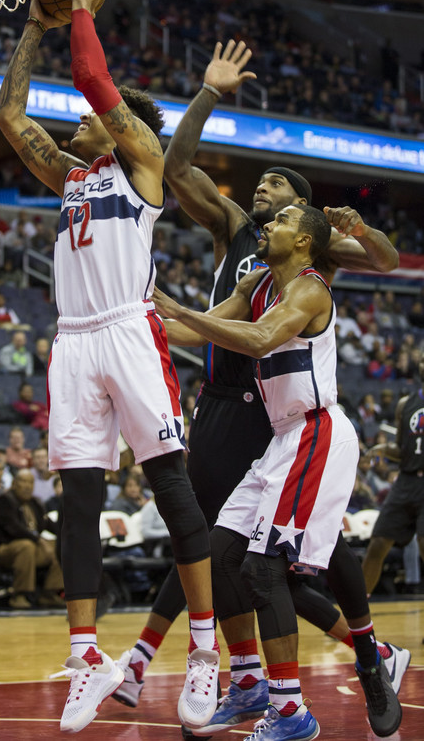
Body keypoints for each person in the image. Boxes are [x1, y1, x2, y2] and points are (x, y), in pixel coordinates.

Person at [115, 43, 408, 731]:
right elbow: (177, 168)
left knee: (284, 560)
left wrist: (359, 228)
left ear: (303, 222)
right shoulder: (245, 248)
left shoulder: (308, 273)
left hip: (290, 418)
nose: (260, 199)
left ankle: (353, 658)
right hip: (246, 415)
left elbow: (382, 263)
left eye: (275, 195)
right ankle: (265, 680)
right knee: (224, 554)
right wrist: (143, 321)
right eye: (261, 195)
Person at [0, 0, 223, 734]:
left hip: (128, 329)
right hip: (73, 342)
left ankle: (200, 651)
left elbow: (95, 82)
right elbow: (8, 117)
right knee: (78, 501)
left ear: (124, 126)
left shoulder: (144, 169)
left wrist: (83, 7)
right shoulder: (71, 176)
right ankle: (86, 657)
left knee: (172, 490)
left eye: (94, 118)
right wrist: (33, 26)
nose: (79, 120)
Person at [152, 203, 402, 740]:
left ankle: (295, 711)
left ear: (306, 241)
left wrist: (178, 308)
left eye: (281, 219)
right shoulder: (261, 282)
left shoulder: (310, 289)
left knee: (266, 570)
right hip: (282, 440)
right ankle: (309, 678)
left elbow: (261, 339)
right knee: (218, 556)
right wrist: (143, 323)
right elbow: (209, 331)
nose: (267, 225)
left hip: (316, 434)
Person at [361, 353, 424, 595]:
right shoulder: (405, 404)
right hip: (406, 481)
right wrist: (383, 448)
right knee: (378, 543)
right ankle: (358, 619)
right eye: (422, 360)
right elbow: (402, 449)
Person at [0, 468, 65, 610]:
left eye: (31, 483)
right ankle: (19, 594)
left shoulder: (36, 502)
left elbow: (47, 524)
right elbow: (13, 528)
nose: (27, 486)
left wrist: (67, 534)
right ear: (14, 483)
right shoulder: (5, 500)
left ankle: (50, 592)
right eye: (23, 482)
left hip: (31, 546)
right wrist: (39, 540)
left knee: (62, 545)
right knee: (26, 546)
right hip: (2, 548)